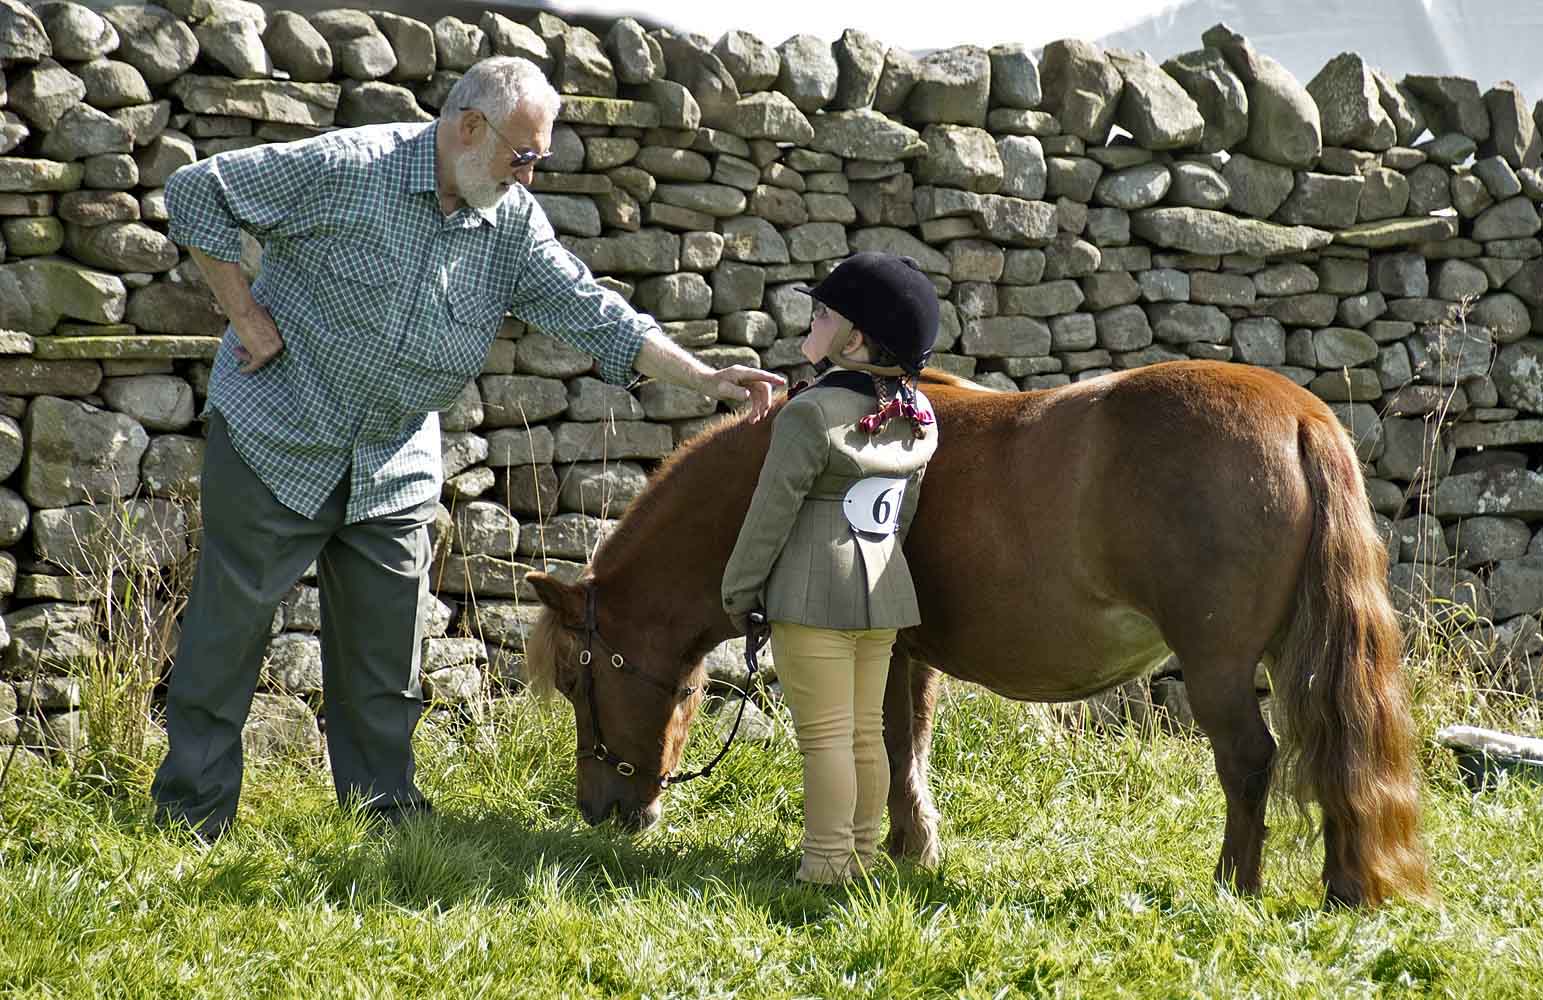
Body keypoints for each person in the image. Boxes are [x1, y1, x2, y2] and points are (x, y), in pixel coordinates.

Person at [151, 56, 783, 840]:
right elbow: (196, 191)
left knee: (386, 668)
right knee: (226, 642)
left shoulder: (509, 222)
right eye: (523, 156)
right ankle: (191, 820)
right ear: (469, 127)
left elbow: (591, 310)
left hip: (391, 462)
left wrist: (703, 376)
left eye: (540, 160)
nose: (529, 176)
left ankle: (382, 824)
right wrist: (244, 315)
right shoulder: (351, 166)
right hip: (279, 436)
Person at [721, 252, 940, 883]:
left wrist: (739, 592)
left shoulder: (809, 414)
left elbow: (770, 517)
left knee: (825, 740)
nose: (809, 320)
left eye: (823, 312)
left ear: (857, 338)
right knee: (866, 735)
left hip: (813, 595)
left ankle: (824, 866)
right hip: (884, 589)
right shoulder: (918, 416)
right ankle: (861, 857)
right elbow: (903, 512)